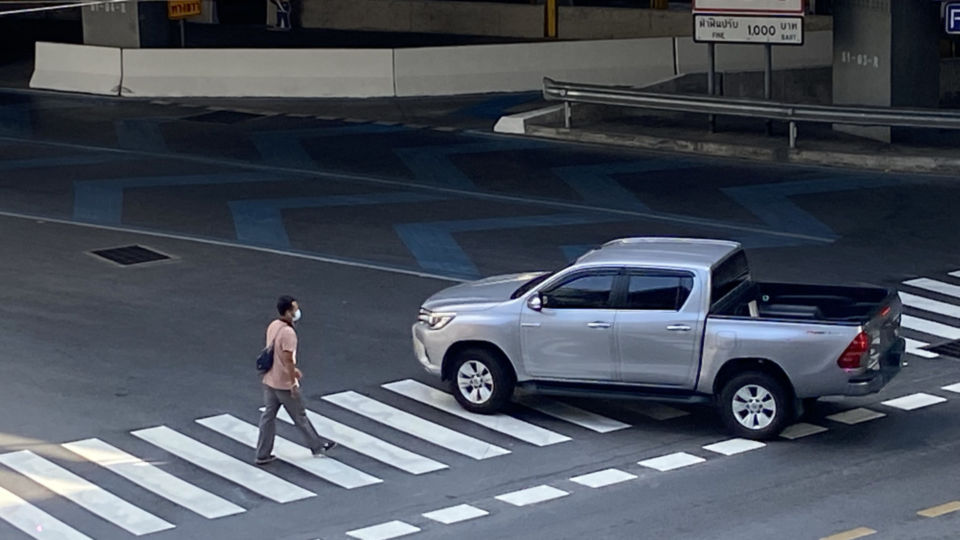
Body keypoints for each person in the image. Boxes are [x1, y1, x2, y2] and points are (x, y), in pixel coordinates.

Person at [255, 295, 336, 465]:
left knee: (268, 417)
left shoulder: (273, 326)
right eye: (294, 309)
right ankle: (317, 446)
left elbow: (275, 352)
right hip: (283, 383)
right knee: (300, 416)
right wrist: (293, 382)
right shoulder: (288, 333)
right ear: (288, 312)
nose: (297, 312)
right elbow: (287, 359)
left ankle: (262, 453)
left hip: (269, 379)